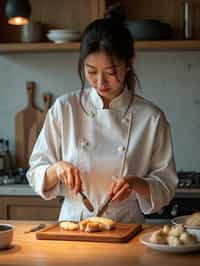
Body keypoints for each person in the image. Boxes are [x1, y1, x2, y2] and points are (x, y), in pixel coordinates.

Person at [27, 5, 178, 223]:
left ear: (129, 63)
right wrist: (57, 169)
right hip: (72, 227)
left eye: (111, 72)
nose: (100, 82)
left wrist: (136, 184)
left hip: (127, 228)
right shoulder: (65, 109)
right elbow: (35, 173)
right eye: (91, 71)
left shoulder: (151, 118)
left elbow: (166, 186)